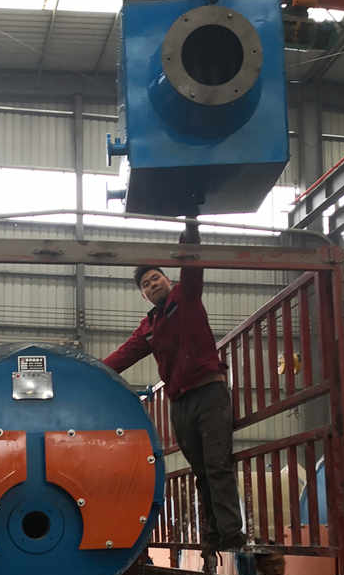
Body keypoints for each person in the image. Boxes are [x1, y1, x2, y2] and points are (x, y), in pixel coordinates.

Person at [103, 220, 245, 556]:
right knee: (201, 471)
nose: (152, 285)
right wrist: (88, 371)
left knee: (217, 464)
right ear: (144, 296)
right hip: (180, 403)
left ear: (168, 280)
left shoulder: (187, 295)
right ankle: (213, 535)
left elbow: (192, 262)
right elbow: (123, 356)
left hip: (209, 393)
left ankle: (232, 534)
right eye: (146, 285)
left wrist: (190, 231)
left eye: (156, 278)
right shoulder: (148, 326)